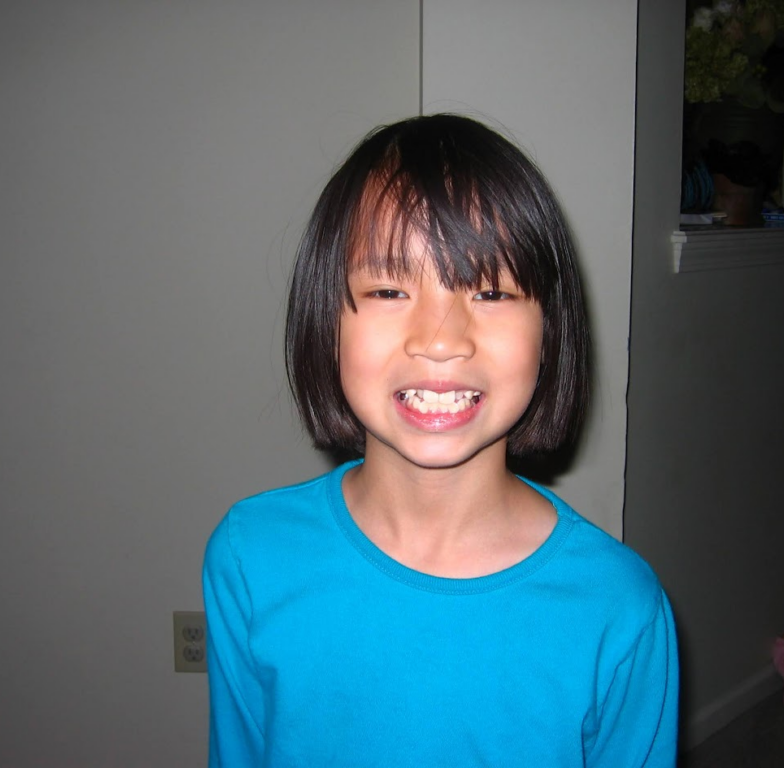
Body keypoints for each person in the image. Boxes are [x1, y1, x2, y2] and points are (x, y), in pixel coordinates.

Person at [203, 114, 679, 766]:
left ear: (551, 332)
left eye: (491, 289)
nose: (440, 338)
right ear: (325, 320)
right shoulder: (249, 556)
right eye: (389, 287)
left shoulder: (619, 608)